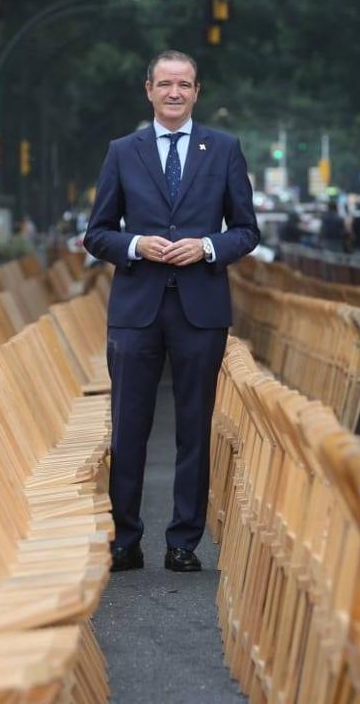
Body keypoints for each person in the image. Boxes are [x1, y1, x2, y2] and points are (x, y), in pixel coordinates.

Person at [83, 50, 259, 574]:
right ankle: (125, 538)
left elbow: (247, 230)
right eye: (165, 84)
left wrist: (206, 248)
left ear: (197, 92)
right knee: (129, 425)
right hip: (137, 308)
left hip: (200, 309)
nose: (175, 93)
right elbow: (97, 233)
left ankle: (184, 541)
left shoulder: (224, 149)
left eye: (184, 84)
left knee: (193, 426)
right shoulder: (122, 151)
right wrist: (137, 245)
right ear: (149, 90)